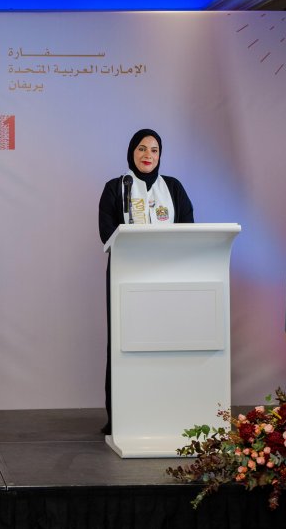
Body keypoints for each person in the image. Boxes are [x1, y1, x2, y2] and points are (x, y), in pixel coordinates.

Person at [96, 128, 194, 433]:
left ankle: (163, 412)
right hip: (125, 278)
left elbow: (188, 227)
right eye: (141, 148)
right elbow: (107, 234)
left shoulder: (173, 188)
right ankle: (120, 417)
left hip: (167, 278)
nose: (147, 155)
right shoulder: (116, 188)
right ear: (131, 152)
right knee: (124, 343)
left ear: (160, 155)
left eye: (154, 150)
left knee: (164, 341)